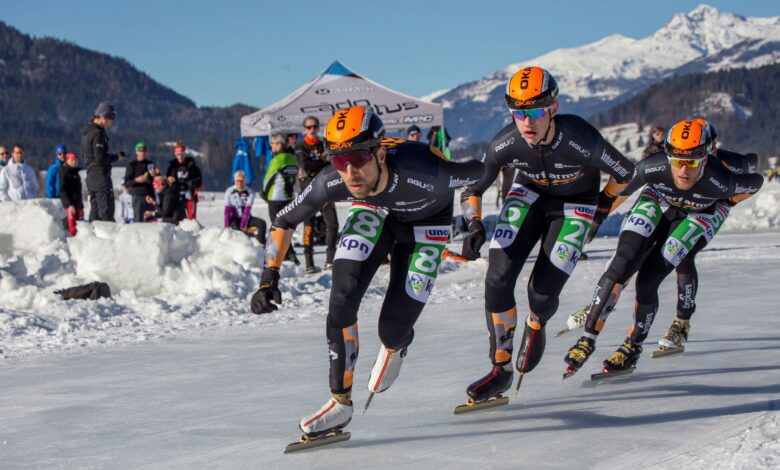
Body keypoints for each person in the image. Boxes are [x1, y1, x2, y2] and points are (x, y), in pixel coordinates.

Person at [250, 106, 484, 439]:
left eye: (358, 159)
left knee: (392, 329)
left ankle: (397, 344)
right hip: (373, 209)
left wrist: (474, 222)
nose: (350, 172)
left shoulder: (427, 170)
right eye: (338, 161)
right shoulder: (333, 180)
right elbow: (284, 220)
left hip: (426, 220)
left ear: (380, 153)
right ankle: (340, 401)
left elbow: (479, 173)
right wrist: (268, 277)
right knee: (342, 296)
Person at [457, 66, 636, 404]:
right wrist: (474, 223)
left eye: (536, 112)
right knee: (497, 278)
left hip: (575, 205)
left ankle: (536, 322)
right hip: (529, 196)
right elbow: (472, 187)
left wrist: (601, 209)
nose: (527, 122)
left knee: (540, 294)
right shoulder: (506, 142)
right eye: (518, 113)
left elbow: (626, 172)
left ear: (554, 107)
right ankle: (500, 367)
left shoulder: (580, 137)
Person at [563, 119, 763, 375]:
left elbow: (755, 180)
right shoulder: (652, 166)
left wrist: (727, 202)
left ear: (707, 155)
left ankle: (642, 341)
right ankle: (589, 334)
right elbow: (619, 192)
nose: (683, 169)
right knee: (624, 260)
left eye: (692, 161)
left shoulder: (722, 178)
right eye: (677, 161)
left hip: (698, 213)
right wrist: (596, 220)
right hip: (659, 199)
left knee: (651, 277)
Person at [294, 116, 339, 273]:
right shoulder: (301, 146)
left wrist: (324, 162)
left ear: (319, 128)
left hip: (325, 189)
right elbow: (307, 166)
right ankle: (309, 263)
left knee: (332, 225)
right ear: (304, 129)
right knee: (309, 227)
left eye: (315, 126)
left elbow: (333, 163)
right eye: (309, 127)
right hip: (308, 191)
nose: (312, 129)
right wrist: (323, 161)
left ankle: (330, 260)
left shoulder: (324, 144)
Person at [82, 102, 124, 222]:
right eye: (110, 117)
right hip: (100, 175)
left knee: (95, 209)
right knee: (106, 210)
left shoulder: (87, 131)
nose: (111, 121)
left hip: (91, 174)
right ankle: (107, 231)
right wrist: (115, 157)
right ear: (103, 116)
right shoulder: (97, 133)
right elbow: (100, 158)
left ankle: (91, 231)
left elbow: (86, 155)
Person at [264, 133, 300, 266]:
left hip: (275, 198)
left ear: (281, 144)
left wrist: (264, 193)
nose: (272, 146)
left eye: (274, 143)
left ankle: (284, 255)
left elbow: (268, 178)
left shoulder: (278, 159)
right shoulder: (292, 157)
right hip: (289, 197)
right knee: (285, 227)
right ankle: (289, 254)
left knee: (276, 227)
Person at [224, 170, 267, 245]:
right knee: (235, 228)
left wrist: (243, 225)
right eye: (238, 181)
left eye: (242, 181)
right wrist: (226, 226)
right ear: (235, 181)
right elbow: (227, 211)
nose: (240, 183)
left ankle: (261, 245)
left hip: (247, 218)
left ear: (245, 181)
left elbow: (247, 210)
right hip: (234, 218)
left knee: (262, 223)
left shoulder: (250, 192)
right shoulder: (229, 191)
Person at [166, 143, 202, 221]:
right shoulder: (172, 168)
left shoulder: (192, 166)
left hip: (190, 197)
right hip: (176, 198)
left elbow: (199, 181)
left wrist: (190, 183)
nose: (180, 156)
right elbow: (168, 182)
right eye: (178, 154)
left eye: (182, 154)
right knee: (176, 220)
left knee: (192, 220)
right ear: (175, 155)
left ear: (184, 154)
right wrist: (171, 182)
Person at [124, 141, 157, 223]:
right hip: (137, 196)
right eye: (140, 151)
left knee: (152, 220)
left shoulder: (150, 164)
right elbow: (126, 182)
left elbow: (156, 179)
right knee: (138, 220)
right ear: (136, 152)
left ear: (146, 152)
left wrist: (155, 175)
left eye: (144, 151)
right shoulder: (132, 165)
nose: (142, 153)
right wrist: (137, 180)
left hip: (150, 195)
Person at [59, 152, 84, 236]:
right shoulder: (64, 172)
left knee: (80, 227)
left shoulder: (76, 173)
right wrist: (69, 204)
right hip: (70, 205)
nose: (74, 162)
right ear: (67, 161)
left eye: (76, 160)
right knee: (72, 228)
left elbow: (78, 191)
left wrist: (81, 206)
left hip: (77, 204)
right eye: (72, 160)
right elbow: (63, 190)